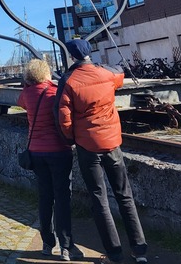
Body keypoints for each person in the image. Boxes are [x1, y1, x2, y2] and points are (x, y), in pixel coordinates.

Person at [56, 40, 148, 264]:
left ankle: (114, 254)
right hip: (112, 143)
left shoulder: (69, 81)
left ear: (72, 56)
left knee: (100, 200)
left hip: (88, 146)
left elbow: (63, 117)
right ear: (89, 54)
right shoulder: (106, 74)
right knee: (125, 196)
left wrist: (71, 138)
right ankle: (140, 250)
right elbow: (120, 74)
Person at [18, 58, 84, 262]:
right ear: (47, 73)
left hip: (37, 153)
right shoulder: (55, 90)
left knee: (45, 198)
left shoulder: (27, 94)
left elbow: (20, 102)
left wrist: (28, 85)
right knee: (62, 198)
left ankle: (47, 243)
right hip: (59, 151)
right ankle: (66, 246)